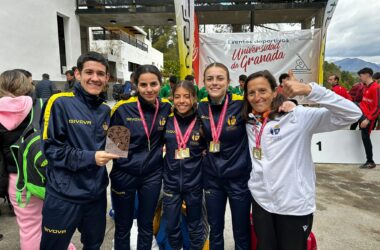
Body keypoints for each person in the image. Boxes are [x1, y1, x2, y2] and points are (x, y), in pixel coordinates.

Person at [243, 70, 362, 250]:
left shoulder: (298, 116)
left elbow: (352, 114)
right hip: (262, 203)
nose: (257, 97)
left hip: (294, 206)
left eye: (262, 91)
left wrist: (309, 90)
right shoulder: (249, 121)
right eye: (251, 93)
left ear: (275, 92)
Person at [40, 51, 119, 250]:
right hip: (63, 196)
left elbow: (116, 148)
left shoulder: (105, 110)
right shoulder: (59, 102)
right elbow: (50, 150)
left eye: (100, 74)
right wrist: (91, 157)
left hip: (96, 196)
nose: (95, 78)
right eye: (89, 72)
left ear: (107, 78)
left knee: (93, 245)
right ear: (77, 74)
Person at [110, 64, 172, 249]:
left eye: (154, 84)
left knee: (146, 225)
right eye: (143, 85)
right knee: (123, 226)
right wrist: (131, 166)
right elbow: (115, 150)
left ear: (161, 84)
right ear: (135, 85)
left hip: (152, 175)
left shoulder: (166, 108)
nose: (149, 89)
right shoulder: (123, 109)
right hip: (124, 174)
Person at [198, 62, 251, 249]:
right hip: (212, 178)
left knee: (241, 231)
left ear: (228, 82)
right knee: (216, 230)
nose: (215, 83)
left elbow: (267, 107)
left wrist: (287, 103)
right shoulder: (200, 108)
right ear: (203, 82)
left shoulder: (241, 104)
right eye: (210, 79)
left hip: (239, 178)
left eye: (220, 78)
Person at [163, 80, 205, 250]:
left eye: (186, 97)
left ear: (194, 98)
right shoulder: (167, 119)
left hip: (194, 183)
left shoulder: (202, 120)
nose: (182, 101)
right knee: (171, 225)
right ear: (172, 98)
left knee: (195, 224)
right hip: (171, 183)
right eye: (177, 96)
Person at [0, 70, 36, 249]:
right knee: (52, 223)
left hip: (17, 180)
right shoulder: (38, 106)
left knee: (28, 227)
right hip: (41, 174)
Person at [357, 67, 379, 169]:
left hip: (367, 118)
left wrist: (368, 119)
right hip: (361, 114)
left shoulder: (376, 88)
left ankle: (370, 161)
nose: (360, 78)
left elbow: (378, 107)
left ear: (367, 75)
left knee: (365, 138)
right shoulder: (366, 87)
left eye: (361, 76)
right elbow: (364, 102)